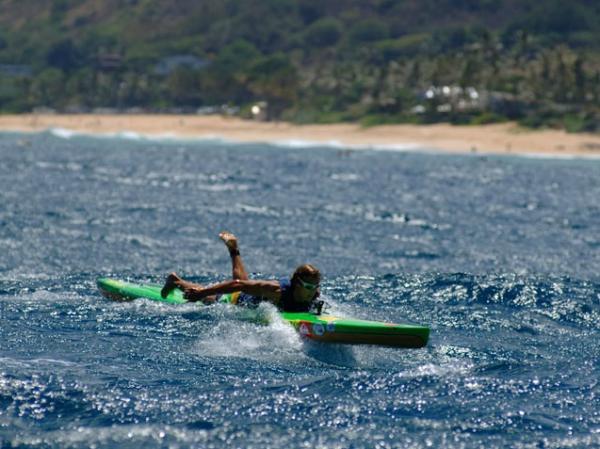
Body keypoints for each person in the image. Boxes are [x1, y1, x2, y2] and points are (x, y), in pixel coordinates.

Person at [160, 231, 321, 312]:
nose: (312, 290)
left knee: (244, 281)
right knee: (211, 299)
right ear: (296, 283)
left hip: (248, 291)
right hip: (239, 300)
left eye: (315, 286)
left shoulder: (314, 292)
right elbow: (238, 284)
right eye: (308, 286)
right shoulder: (276, 289)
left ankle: (234, 250)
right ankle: (176, 281)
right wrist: (201, 293)